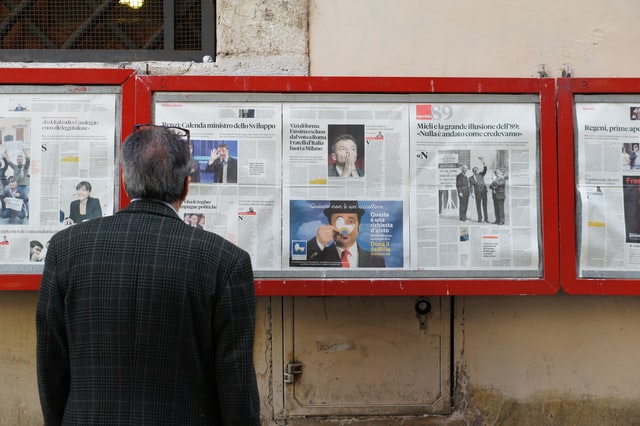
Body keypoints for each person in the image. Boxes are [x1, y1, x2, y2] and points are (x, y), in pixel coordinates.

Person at [36, 125, 260, 425]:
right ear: (186, 186)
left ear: (126, 180)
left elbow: (51, 362)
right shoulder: (226, 261)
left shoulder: (65, 249)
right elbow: (237, 381)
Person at [299, 200, 385, 268]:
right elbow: (293, 265)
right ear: (330, 224)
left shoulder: (377, 261)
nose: (345, 229)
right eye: (339, 221)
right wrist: (318, 242)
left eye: (350, 221)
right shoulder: (316, 257)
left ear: (358, 225)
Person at [469, 158, 489, 223]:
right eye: (474, 170)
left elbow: (485, 169)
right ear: (473, 171)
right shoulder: (471, 178)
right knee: (478, 205)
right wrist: (471, 193)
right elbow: (470, 186)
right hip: (477, 193)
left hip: (484, 191)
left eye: (476, 170)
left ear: (478, 170)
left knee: (485, 205)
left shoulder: (481, 174)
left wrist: (483, 162)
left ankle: (486, 219)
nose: (476, 171)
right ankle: (479, 218)